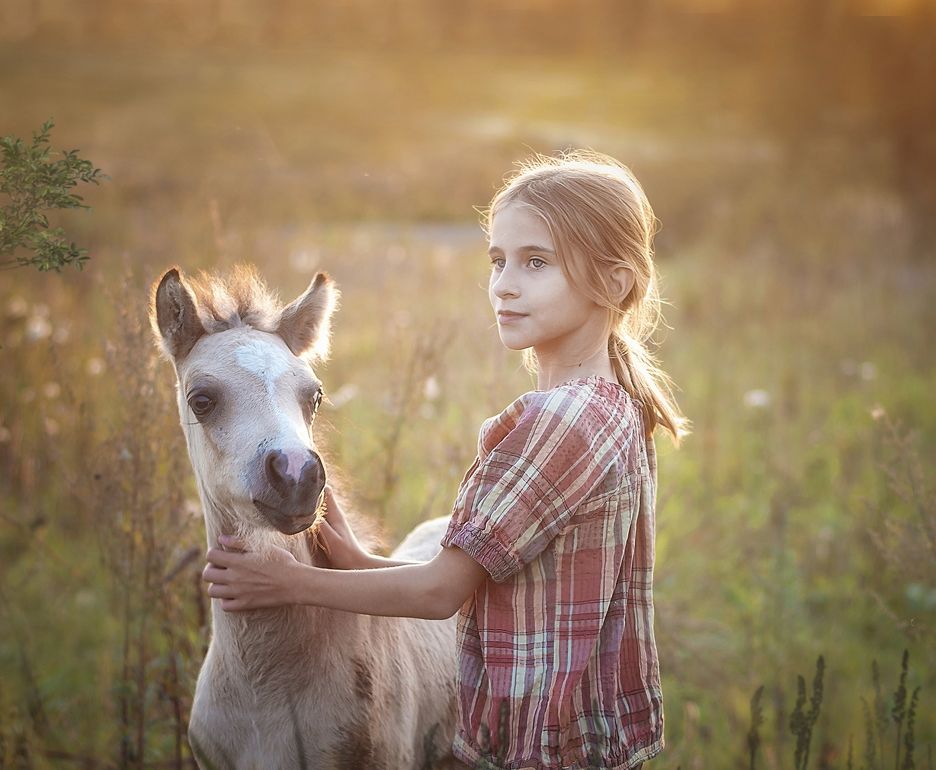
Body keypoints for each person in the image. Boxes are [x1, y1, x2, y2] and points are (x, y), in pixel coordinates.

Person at [203, 150, 688, 770]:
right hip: (589, 736)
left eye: (536, 263)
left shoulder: (552, 424)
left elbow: (438, 592)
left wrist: (290, 583)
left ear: (615, 283)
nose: (505, 284)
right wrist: (353, 561)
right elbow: (492, 589)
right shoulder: (616, 406)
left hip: (536, 747)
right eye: (497, 260)